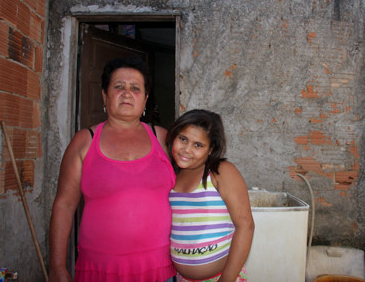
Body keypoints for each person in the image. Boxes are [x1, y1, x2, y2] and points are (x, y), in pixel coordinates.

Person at [49, 57, 176, 282]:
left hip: (159, 267)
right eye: (119, 86)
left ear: (145, 98)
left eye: (135, 88)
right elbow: (65, 205)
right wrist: (57, 265)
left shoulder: (163, 138)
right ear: (104, 96)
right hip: (100, 270)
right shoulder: (84, 141)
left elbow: (192, 186)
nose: (127, 93)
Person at [165, 109, 255, 282]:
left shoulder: (219, 172)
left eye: (198, 145)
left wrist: (227, 279)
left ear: (210, 149)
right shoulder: (172, 175)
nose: (187, 150)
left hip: (221, 277)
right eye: (183, 139)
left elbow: (246, 226)